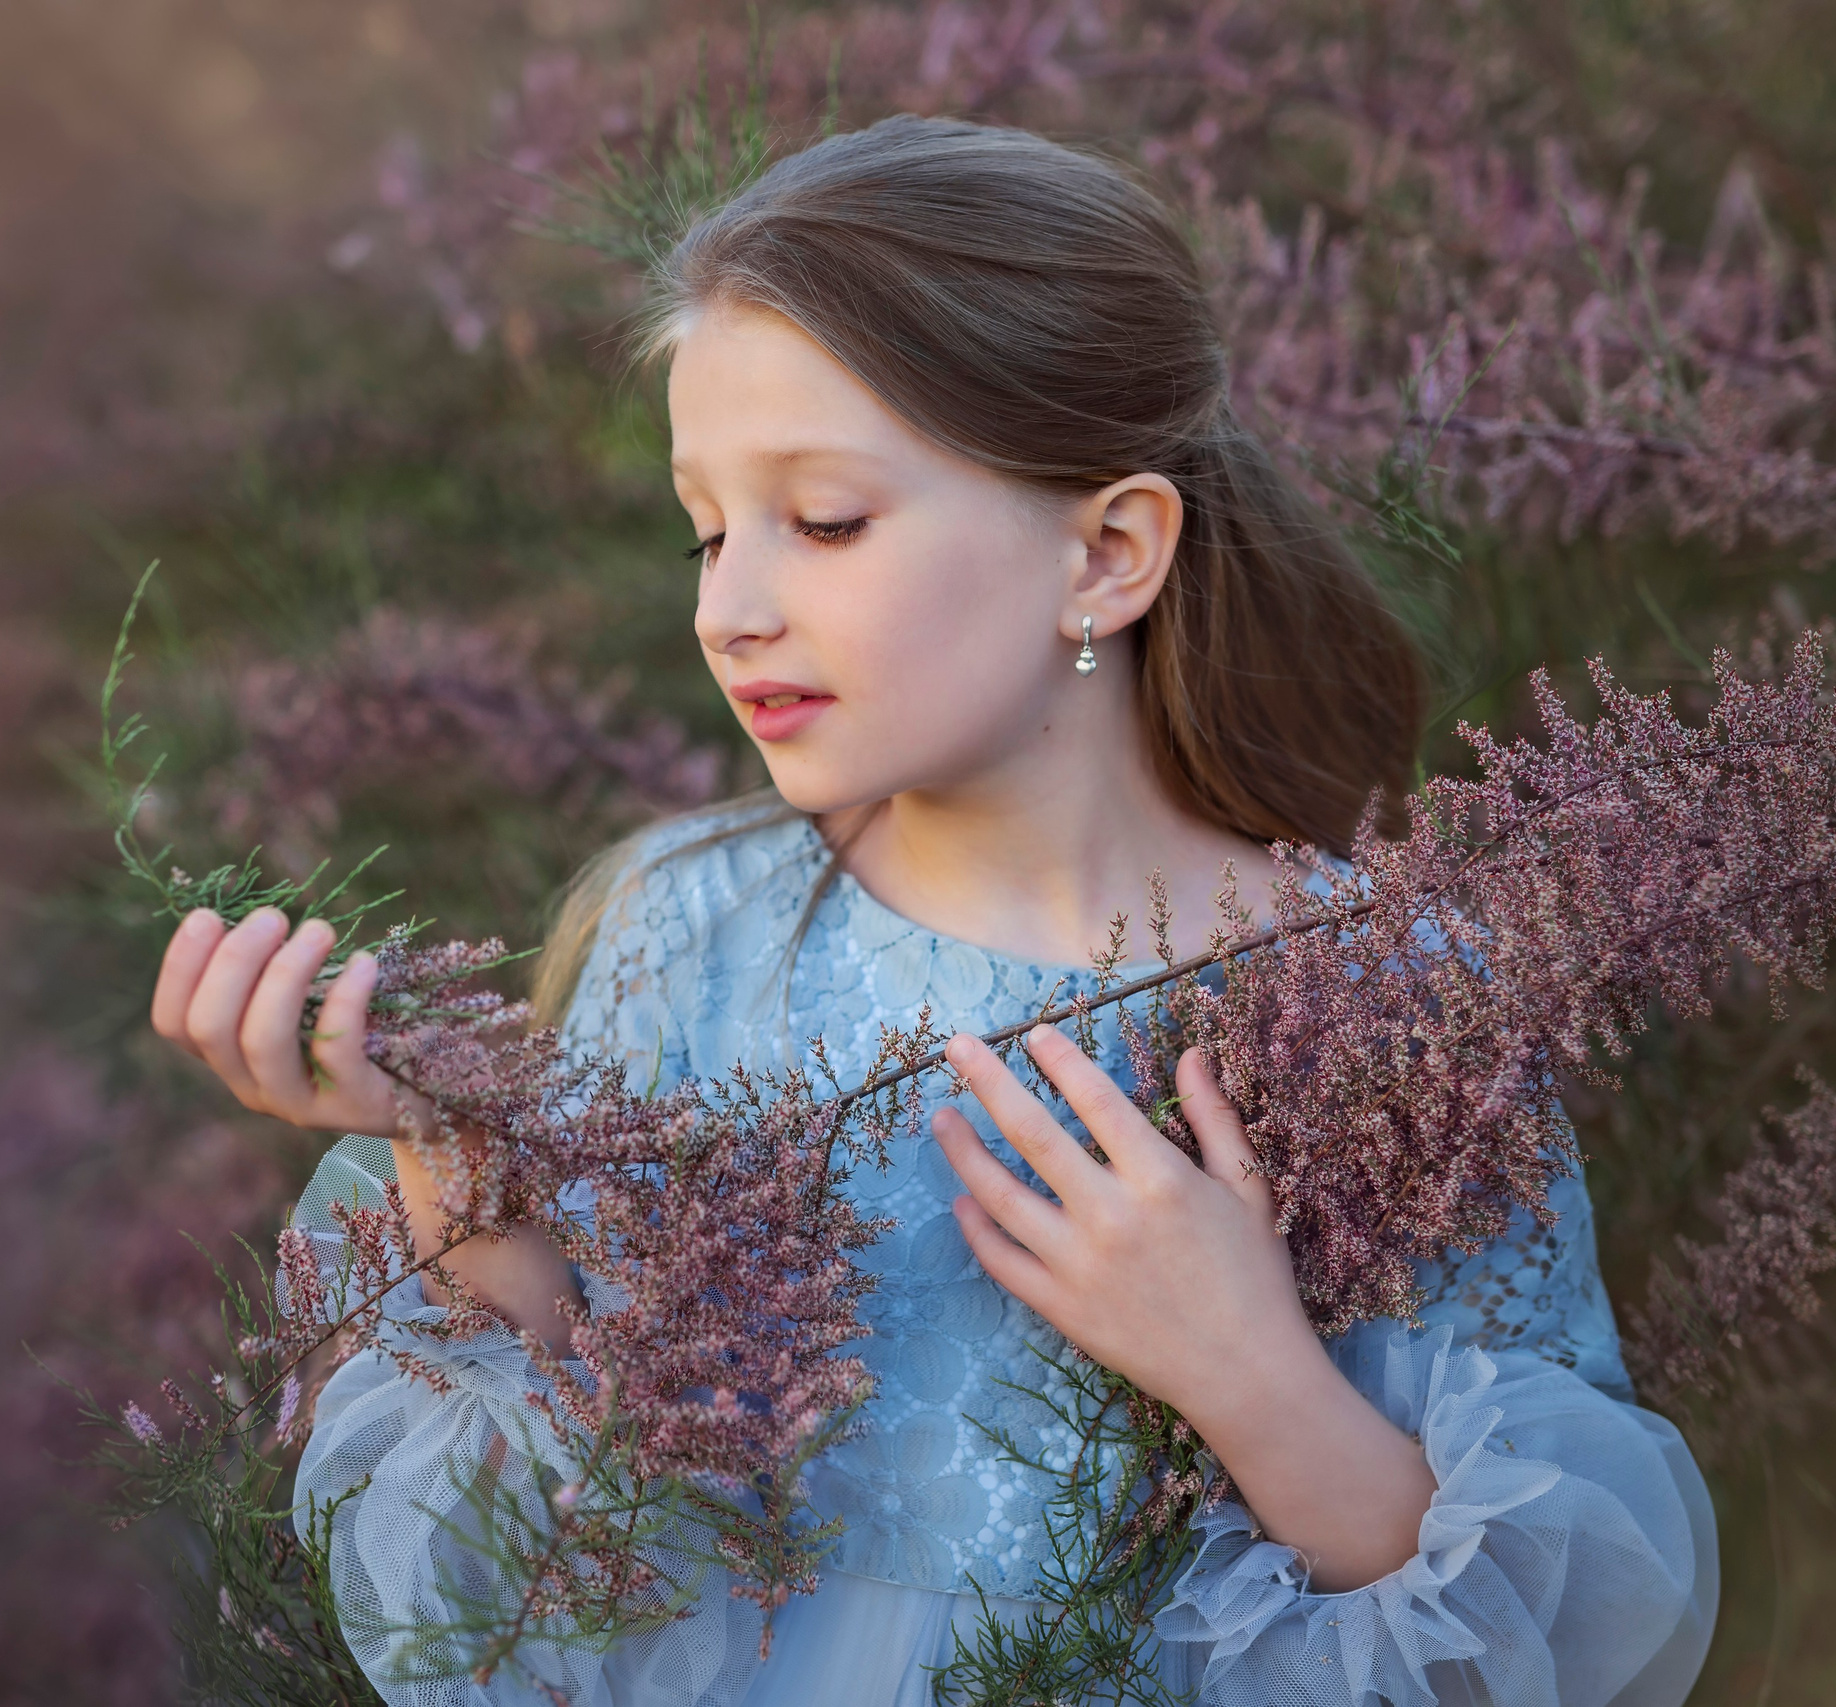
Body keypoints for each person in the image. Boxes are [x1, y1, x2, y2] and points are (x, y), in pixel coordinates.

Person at [148, 115, 1718, 1706]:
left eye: (824, 519)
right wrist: (462, 1168)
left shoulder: (1383, 994)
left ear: (1107, 553)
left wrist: (1245, 1370)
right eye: (704, 528)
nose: (728, 606)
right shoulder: (689, 928)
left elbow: (1544, 1630)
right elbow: (601, 1552)